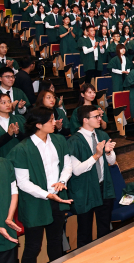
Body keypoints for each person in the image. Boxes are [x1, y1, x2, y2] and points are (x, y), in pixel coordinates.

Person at [8, 107, 73, 263]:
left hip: (57, 199)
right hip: (34, 203)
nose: (54, 122)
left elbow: (67, 164)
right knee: (33, 246)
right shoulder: (22, 149)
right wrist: (47, 194)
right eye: (50, 120)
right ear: (38, 124)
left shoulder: (58, 140)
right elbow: (22, 182)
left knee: (56, 242)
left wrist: (62, 181)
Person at [67, 105, 116, 248]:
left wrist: (107, 153)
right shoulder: (74, 141)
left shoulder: (102, 135)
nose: (100, 119)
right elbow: (76, 170)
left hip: (102, 187)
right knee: (85, 231)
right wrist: (96, 156)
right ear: (85, 120)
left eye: (100, 116)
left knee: (105, 228)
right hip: (85, 190)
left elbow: (112, 162)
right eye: (96, 116)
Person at [0, 155, 20, 263]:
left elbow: (14, 192)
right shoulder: (6, 163)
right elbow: (14, 192)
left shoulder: (6, 163)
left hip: (7, 230)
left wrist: (9, 217)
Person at [0, 93, 26, 158]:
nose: (8, 105)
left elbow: (28, 140)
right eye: (3, 103)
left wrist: (18, 133)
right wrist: (8, 135)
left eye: (9, 102)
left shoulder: (20, 119)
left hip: (19, 159)